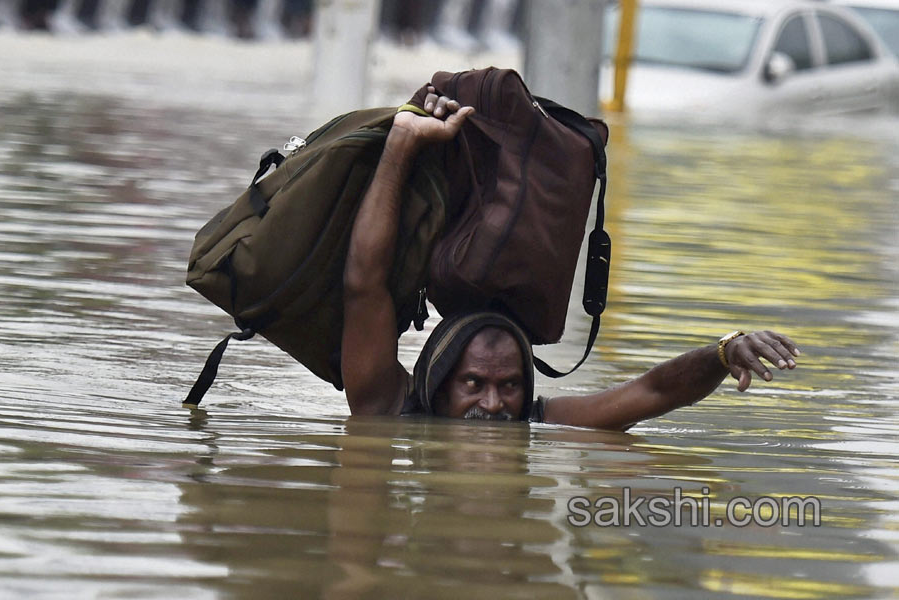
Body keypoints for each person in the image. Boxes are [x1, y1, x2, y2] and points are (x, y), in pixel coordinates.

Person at [341, 88, 800, 431]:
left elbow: (652, 391)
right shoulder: (389, 409)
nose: (496, 403)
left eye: (510, 386)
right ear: (438, 387)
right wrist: (402, 143)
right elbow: (365, 282)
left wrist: (723, 352)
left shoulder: (536, 424)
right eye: (474, 383)